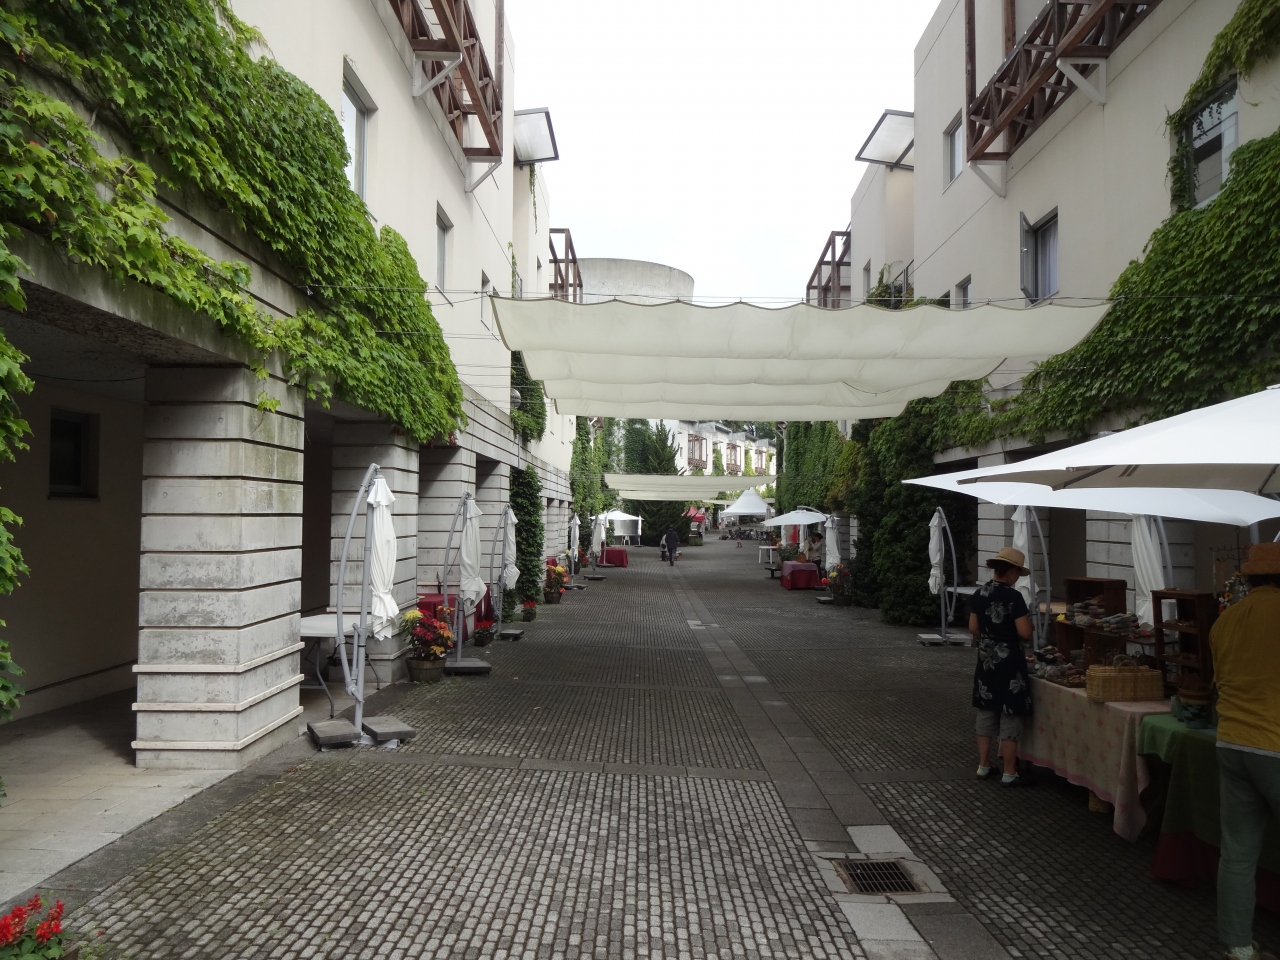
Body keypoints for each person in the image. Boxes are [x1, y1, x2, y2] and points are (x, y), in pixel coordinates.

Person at [1211, 541, 1280, 960]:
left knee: (1237, 854)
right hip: (1275, 743)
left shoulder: (1227, 619)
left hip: (1232, 741)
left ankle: (1239, 947)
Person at [969, 546, 1035, 787]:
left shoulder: (980, 593)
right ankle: (1009, 772)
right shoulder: (1013, 597)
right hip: (1009, 661)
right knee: (1010, 712)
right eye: (1018, 573)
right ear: (1012, 571)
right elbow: (1025, 632)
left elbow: (973, 628)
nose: (1018, 577)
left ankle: (984, 765)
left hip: (986, 659)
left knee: (986, 709)